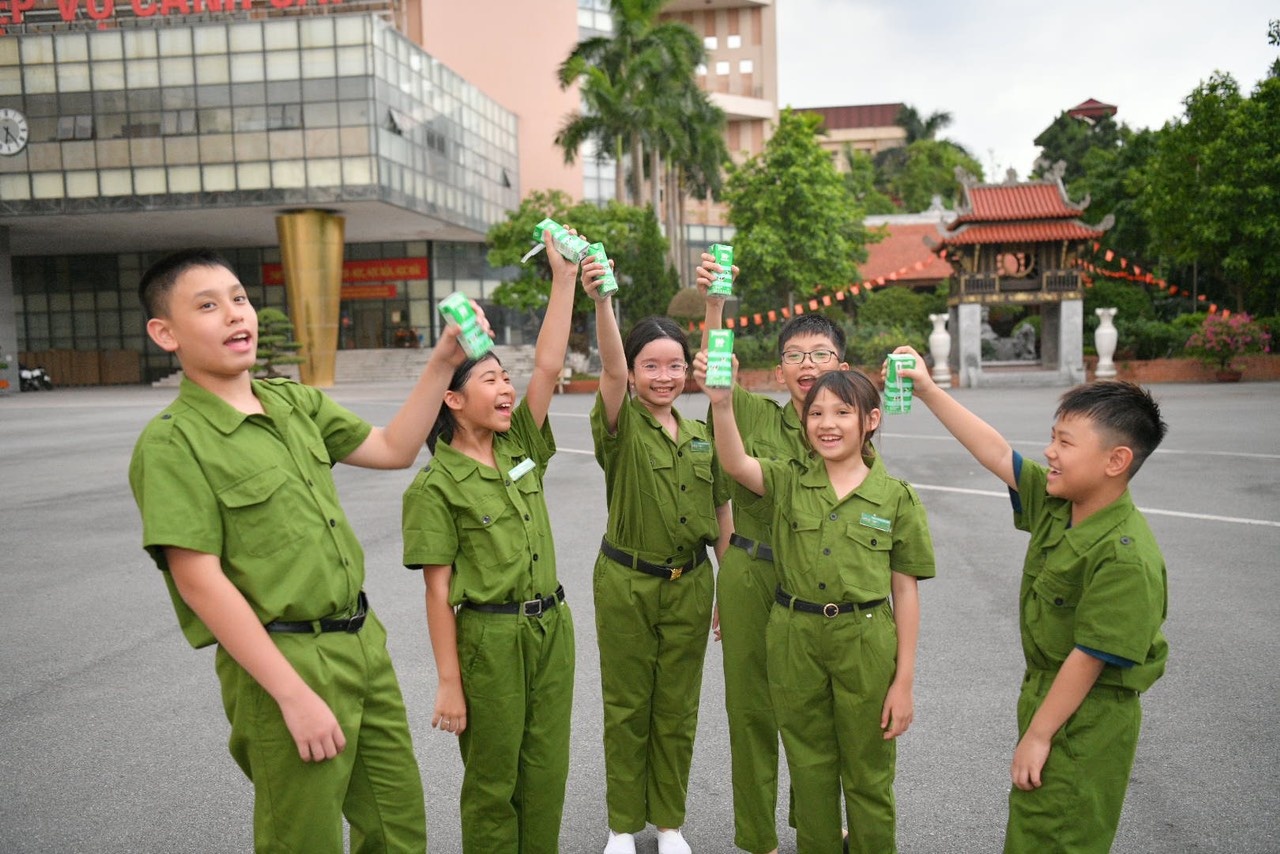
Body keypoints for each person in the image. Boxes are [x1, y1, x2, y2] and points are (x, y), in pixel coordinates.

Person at [128, 248, 472, 851]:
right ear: (166, 334)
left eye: (239, 298)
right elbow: (199, 582)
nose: (236, 315)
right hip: (283, 661)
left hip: (362, 645)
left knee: (398, 830)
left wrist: (444, 360)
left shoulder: (293, 403)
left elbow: (393, 447)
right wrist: (292, 695)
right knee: (304, 840)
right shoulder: (172, 443)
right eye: (207, 306)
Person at [889, 347, 1169, 853]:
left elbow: (1090, 657)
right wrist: (929, 390)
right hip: (1050, 695)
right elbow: (998, 454)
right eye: (1052, 438)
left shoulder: (1125, 555)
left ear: (1116, 460)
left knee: (1058, 833)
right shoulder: (1064, 504)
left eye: (1064, 442)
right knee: (1035, 826)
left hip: (1087, 717)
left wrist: (1039, 735)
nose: (1050, 453)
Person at [401, 233, 593, 852]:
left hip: (549, 630)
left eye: (504, 378)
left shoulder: (519, 448)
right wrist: (448, 681)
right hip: (490, 640)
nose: (507, 388)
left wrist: (564, 280)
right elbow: (437, 594)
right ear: (452, 400)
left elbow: (546, 365)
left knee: (545, 776)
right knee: (492, 782)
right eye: (490, 379)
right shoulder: (435, 485)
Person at [698, 360, 935, 854]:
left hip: (865, 638)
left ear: (870, 420)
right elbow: (737, 463)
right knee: (810, 770)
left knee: (869, 774)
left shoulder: (895, 499)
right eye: (816, 414)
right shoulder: (787, 481)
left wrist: (904, 682)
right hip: (795, 636)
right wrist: (722, 404)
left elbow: (905, 591)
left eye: (842, 412)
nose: (827, 423)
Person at [695, 254, 850, 854]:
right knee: (751, 714)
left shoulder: (850, 423)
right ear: (779, 369)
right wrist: (714, 302)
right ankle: (756, 837)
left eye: (821, 355)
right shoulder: (752, 412)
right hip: (751, 573)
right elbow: (715, 376)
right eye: (795, 356)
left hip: (820, 578)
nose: (808, 366)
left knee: (816, 712)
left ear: (841, 364)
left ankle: (814, 825)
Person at [591, 289, 728, 854]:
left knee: (677, 707)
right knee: (627, 708)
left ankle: (669, 822)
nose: (665, 376)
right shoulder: (619, 425)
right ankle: (622, 826)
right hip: (626, 581)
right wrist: (602, 301)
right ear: (633, 372)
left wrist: (731, 588)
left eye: (675, 365)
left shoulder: (702, 436)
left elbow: (723, 513)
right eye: (651, 365)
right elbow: (608, 368)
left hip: (691, 583)